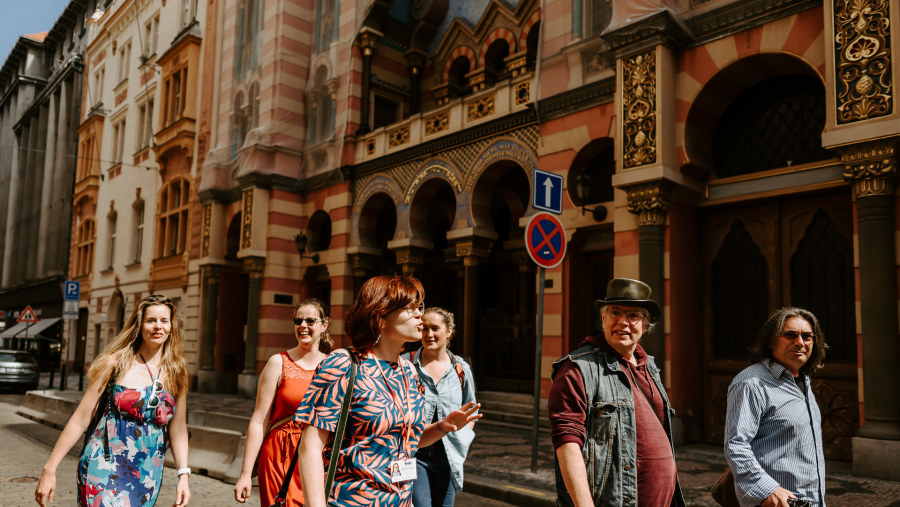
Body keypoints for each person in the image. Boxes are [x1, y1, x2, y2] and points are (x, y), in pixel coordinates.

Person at [295, 274, 482, 507]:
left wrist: (443, 426)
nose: (419, 315)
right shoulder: (343, 364)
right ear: (380, 314)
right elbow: (310, 447)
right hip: (350, 500)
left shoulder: (409, 371)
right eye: (410, 308)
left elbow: (409, 440)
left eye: (419, 307)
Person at [35, 294, 191, 506]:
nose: (158, 327)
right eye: (151, 320)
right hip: (103, 466)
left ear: (172, 326)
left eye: (164, 321)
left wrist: (184, 476)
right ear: (139, 324)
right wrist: (49, 469)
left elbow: (178, 428)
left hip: (147, 474)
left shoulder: (177, 372)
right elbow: (81, 418)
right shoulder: (114, 364)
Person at [549, 278, 685, 507]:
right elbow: (567, 445)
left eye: (633, 315)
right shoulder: (578, 368)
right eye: (615, 312)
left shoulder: (649, 365)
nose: (623, 322)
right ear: (602, 318)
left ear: (646, 323)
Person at [234, 299, 334, 505]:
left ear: (324, 325)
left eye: (310, 321)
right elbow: (258, 420)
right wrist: (245, 474)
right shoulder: (278, 362)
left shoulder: (334, 366)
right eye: (298, 321)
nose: (303, 326)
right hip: (279, 455)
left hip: (319, 455)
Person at [724, 307, 827, 507]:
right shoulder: (751, 383)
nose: (800, 342)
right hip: (775, 501)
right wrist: (768, 490)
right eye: (790, 335)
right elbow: (736, 445)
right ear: (771, 341)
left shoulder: (803, 379)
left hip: (810, 499)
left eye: (807, 336)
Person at [401, 307, 477, 507]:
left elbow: (471, 409)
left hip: (449, 458)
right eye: (424, 328)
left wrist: (463, 436)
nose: (429, 334)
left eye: (435, 328)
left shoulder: (461, 369)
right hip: (414, 456)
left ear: (449, 331)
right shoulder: (405, 364)